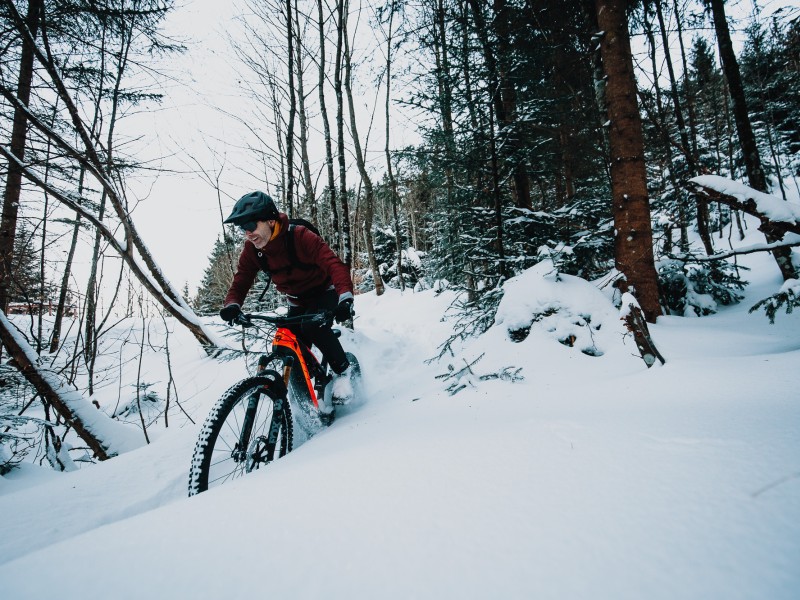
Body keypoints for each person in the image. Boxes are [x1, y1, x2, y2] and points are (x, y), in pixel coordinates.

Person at [219, 191, 355, 396]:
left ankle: (344, 372)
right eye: (242, 229)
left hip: (324, 292)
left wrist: (345, 298)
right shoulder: (253, 249)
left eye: (250, 226)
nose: (247, 233)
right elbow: (242, 279)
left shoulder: (299, 236)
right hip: (296, 300)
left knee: (312, 326)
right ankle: (304, 398)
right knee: (288, 343)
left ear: (271, 221)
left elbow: (334, 264)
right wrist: (232, 305)